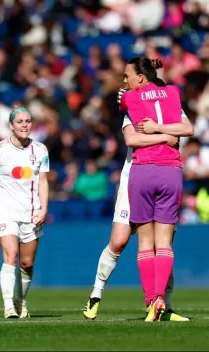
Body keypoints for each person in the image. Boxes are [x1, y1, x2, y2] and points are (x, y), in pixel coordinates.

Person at [83, 89, 193, 321]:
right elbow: (133, 139)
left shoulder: (172, 108)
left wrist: (160, 128)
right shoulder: (132, 111)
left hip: (162, 174)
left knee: (163, 244)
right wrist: (164, 135)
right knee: (119, 241)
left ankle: (164, 305)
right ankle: (95, 295)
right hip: (133, 176)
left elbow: (186, 128)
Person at [0, 107, 49, 319]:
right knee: (10, 256)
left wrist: (44, 208)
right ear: (11, 126)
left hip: (31, 213)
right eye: (20, 122)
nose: (24, 125)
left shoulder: (41, 150)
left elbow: (43, 181)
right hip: (5, 212)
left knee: (27, 263)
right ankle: (8, 306)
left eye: (28, 121)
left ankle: (20, 300)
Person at [122, 57, 185, 322]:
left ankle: (152, 301)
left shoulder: (130, 100)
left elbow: (131, 137)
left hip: (144, 169)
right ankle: (161, 299)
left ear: (140, 78)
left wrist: (125, 95)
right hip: (171, 170)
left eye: (127, 76)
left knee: (145, 243)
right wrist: (165, 134)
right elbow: (188, 128)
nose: (124, 81)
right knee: (165, 243)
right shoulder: (173, 94)